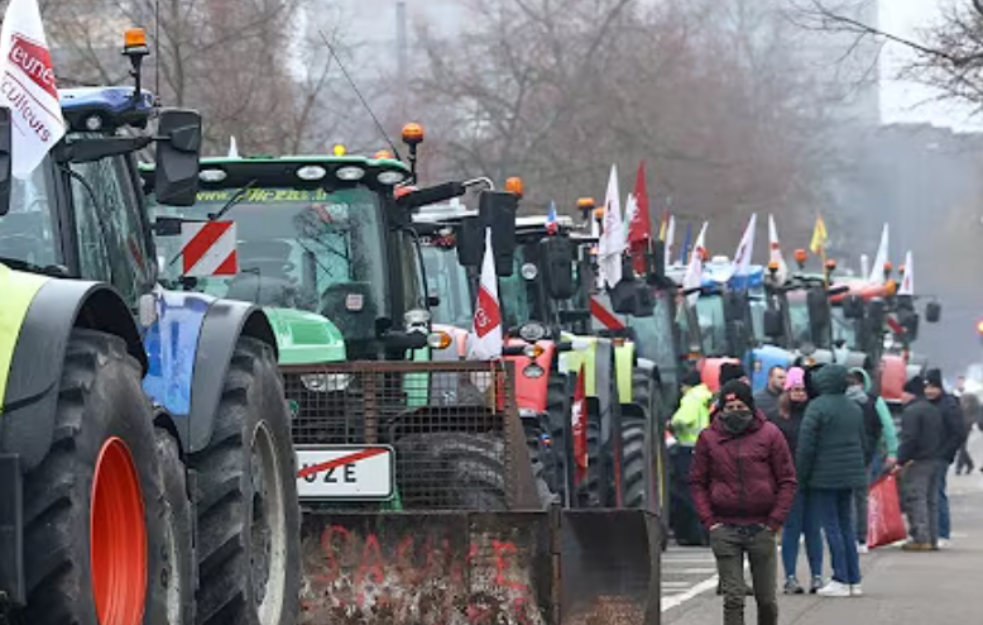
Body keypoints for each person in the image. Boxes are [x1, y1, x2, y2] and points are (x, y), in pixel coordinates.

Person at [691, 380, 797, 625]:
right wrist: (710, 522)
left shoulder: (770, 435)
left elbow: (787, 480)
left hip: (761, 527)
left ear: (750, 406)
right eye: (730, 407)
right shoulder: (708, 438)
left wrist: (774, 522)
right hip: (724, 527)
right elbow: (697, 482)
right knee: (734, 598)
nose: (735, 412)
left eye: (740, 406)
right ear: (721, 408)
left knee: (767, 600)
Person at [795, 363, 867, 597]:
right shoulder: (855, 407)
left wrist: (801, 476)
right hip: (850, 475)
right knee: (847, 526)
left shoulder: (817, 407)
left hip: (824, 476)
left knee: (831, 527)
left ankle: (840, 578)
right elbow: (864, 442)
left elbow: (806, 447)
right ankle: (854, 579)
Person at [770, 367, 824, 595]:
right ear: (788, 390)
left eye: (803, 389)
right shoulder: (778, 418)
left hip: (813, 479)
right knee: (791, 529)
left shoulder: (815, 414)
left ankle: (817, 576)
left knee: (813, 529)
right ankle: (790, 576)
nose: (800, 394)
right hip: (790, 480)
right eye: (795, 389)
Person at [845, 367, 898, 554]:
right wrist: (892, 452)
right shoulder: (875, 402)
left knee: (845, 498)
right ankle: (861, 537)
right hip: (867, 456)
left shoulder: (839, 401)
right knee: (862, 497)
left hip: (842, 457)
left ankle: (847, 535)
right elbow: (888, 427)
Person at [897, 376, 946, 551]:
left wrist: (900, 460)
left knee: (916, 499)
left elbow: (909, 439)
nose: (901, 397)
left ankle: (920, 537)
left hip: (917, 462)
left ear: (910, 393)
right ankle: (932, 537)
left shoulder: (912, 412)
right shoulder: (934, 409)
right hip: (935, 459)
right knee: (931, 501)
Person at [669, 369, 714, 546]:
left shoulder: (690, 398)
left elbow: (683, 419)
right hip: (704, 449)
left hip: (688, 450)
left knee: (687, 494)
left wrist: (672, 424)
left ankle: (695, 533)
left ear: (685, 386)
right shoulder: (705, 397)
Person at [924, 369, 966, 547]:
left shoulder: (949, 405)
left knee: (937, 493)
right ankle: (932, 531)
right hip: (927, 455)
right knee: (927, 495)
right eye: (927, 387)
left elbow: (958, 433)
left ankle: (942, 531)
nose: (929, 391)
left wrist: (946, 454)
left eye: (933, 387)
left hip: (940, 456)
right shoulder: (927, 404)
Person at [957, 391, 980, 475]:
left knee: (962, 447)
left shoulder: (973, 400)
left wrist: (973, 422)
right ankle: (969, 464)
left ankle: (959, 467)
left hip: (966, 426)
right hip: (958, 425)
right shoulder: (958, 399)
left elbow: (976, 414)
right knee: (960, 447)